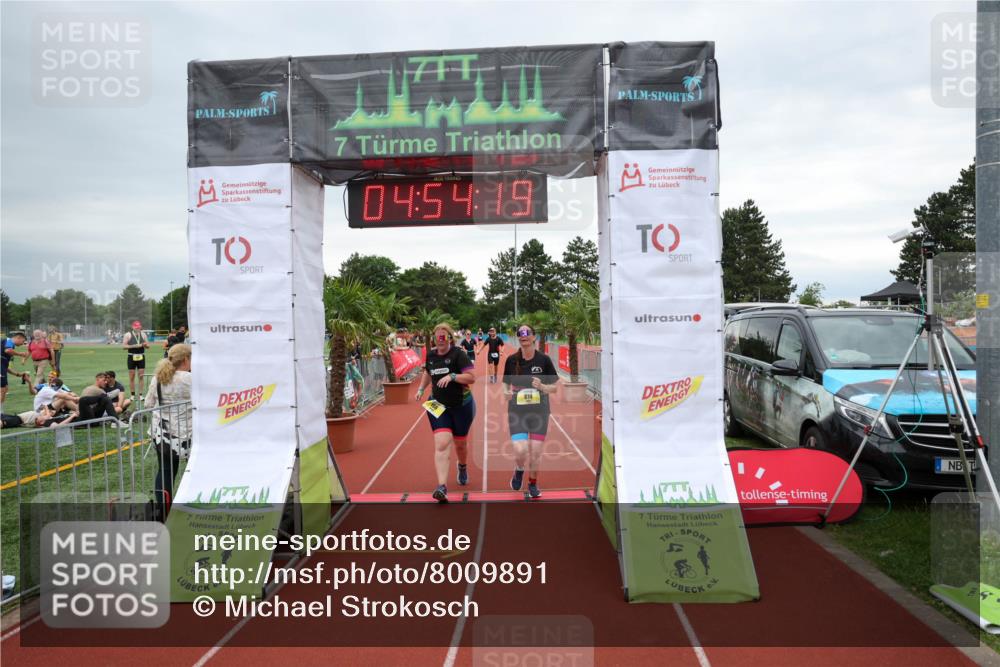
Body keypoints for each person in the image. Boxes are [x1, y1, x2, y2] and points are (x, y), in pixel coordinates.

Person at [414, 323, 476, 503]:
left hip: (462, 406)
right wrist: (420, 389)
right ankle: (442, 486)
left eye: (443, 337)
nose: (440, 340)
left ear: (449, 338)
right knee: (442, 443)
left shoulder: (459, 354)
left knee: (460, 444)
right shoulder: (431, 355)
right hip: (438, 406)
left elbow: (471, 377)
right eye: (437, 337)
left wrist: (453, 376)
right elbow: (427, 371)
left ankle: (462, 466)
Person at [503, 324, 559, 499]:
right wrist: (505, 391)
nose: (523, 335)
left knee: (535, 451)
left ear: (534, 337)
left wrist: (542, 386)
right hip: (517, 412)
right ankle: (519, 470)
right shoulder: (511, 360)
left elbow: (555, 388)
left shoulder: (544, 360)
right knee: (520, 450)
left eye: (527, 333)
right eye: (520, 333)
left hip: (539, 412)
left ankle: (533, 483)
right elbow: (505, 382)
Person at [144, 343, 192, 520]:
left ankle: (164, 511)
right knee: (192, 470)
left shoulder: (157, 377)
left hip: (160, 432)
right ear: (186, 359)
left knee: (165, 471)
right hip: (184, 433)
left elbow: (148, 404)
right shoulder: (188, 378)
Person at [123, 320, 151, 400]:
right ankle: (132, 395)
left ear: (140, 327)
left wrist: (145, 345)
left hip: (141, 357)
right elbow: (124, 346)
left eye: (139, 326)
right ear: (133, 327)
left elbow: (148, 346)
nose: (137, 328)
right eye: (136, 327)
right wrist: (135, 346)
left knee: (141, 376)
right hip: (131, 357)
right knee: (132, 377)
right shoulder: (128, 335)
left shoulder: (143, 334)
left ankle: (141, 395)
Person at [1, 331, 28, 406]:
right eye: (23, 341)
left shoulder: (9, 345)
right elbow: (8, 350)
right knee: (2, 389)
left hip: (2, 367)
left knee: (5, 388)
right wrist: (20, 354)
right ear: (18, 337)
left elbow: (5, 367)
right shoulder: (9, 341)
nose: (22, 344)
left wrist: (18, 374)